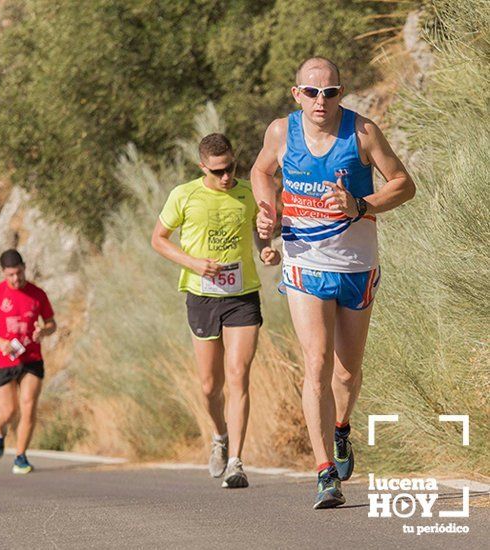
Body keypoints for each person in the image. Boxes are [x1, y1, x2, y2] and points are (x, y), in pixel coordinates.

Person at [250, 57, 415, 508]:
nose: (320, 101)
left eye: (331, 92)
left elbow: (404, 183)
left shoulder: (363, 134)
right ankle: (324, 470)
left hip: (357, 266)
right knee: (317, 362)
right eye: (311, 92)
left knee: (346, 371)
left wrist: (360, 205)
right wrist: (267, 208)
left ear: (342, 93)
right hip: (304, 262)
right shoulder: (281, 133)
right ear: (295, 93)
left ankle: (341, 427)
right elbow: (261, 171)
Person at [151, 133, 280, 489]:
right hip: (202, 296)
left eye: (231, 168)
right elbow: (158, 239)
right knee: (210, 386)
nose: (226, 177)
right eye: (218, 171)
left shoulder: (247, 193)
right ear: (202, 167)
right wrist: (193, 263)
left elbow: (263, 237)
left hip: (243, 295)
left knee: (239, 373)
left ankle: (237, 461)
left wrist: (268, 251)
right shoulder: (184, 195)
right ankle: (219, 435)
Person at [0, 249, 57, 474]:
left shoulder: (37, 294)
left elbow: (51, 323)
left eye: (19, 273)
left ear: (24, 268)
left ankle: (21, 457)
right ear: (3, 273)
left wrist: (44, 331)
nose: (16, 278)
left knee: (28, 406)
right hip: (3, 361)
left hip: (31, 359)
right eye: (10, 274)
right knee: (9, 411)